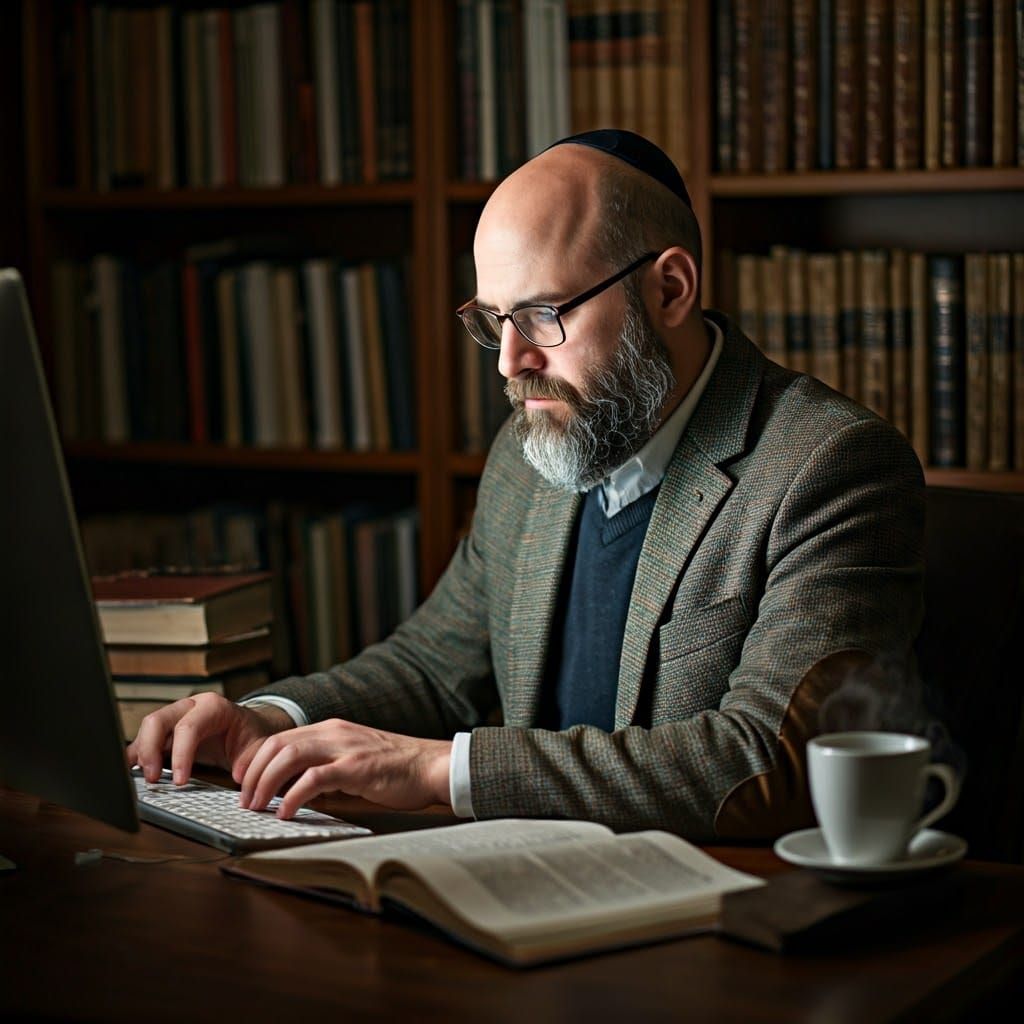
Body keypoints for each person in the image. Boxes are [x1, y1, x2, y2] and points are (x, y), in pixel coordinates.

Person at [128, 130, 924, 840]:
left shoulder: (829, 466)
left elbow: (765, 764)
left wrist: (440, 772)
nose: (510, 364)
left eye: (543, 315)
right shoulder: (535, 445)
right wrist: (266, 718)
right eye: (493, 321)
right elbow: (434, 667)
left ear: (670, 289)